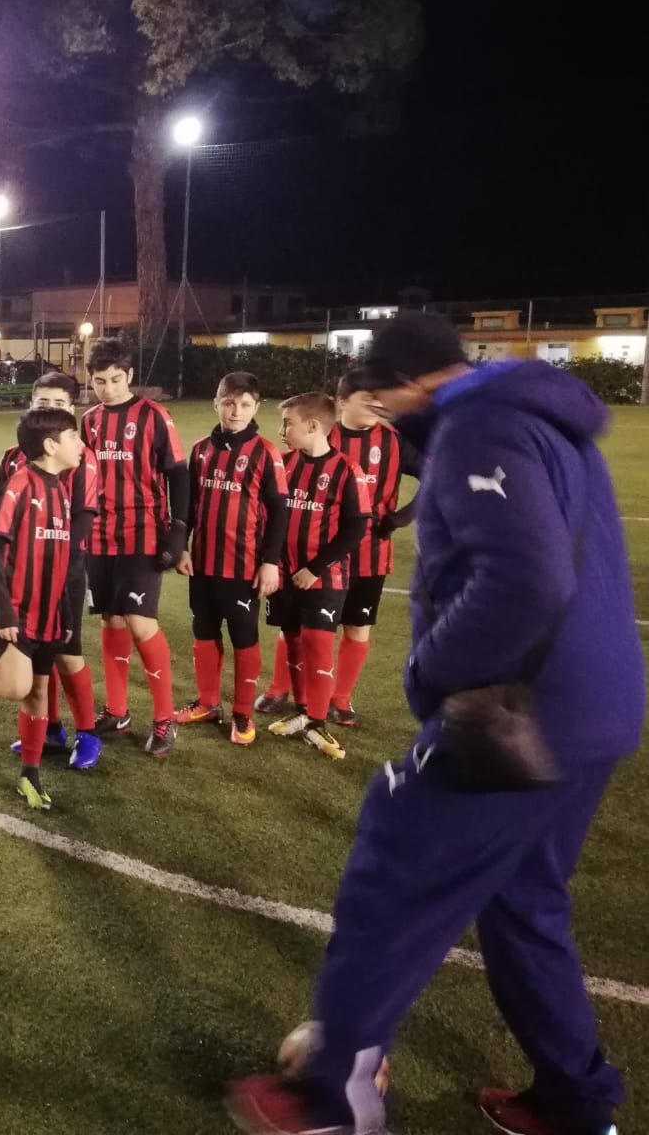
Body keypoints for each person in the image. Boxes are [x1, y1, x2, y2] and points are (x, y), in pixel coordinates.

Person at [227, 313, 644, 1135]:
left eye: (386, 401)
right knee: (522, 902)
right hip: (599, 709)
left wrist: (432, 672)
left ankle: (333, 1102)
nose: (386, 417)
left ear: (413, 382)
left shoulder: (475, 428)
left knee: (391, 870)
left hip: (521, 711)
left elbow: (526, 580)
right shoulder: (543, 417)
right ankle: (574, 1102)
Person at [0, 408, 85, 810]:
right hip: (16, 610)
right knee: (16, 686)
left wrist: (66, 612)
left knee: (39, 691)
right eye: (74, 437)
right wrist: (5, 610)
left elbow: (61, 559)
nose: (81, 445)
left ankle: (30, 774)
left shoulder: (62, 490)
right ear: (50, 446)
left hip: (50, 613)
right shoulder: (20, 484)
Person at [80, 339, 190, 758]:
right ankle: (117, 711)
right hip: (99, 535)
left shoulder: (155, 416)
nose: (107, 388)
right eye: (99, 381)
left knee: (140, 623)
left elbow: (178, 474)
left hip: (143, 533)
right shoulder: (89, 421)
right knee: (111, 621)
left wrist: (178, 531)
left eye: (115, 379)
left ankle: (164, 719)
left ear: (129, 376)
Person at [0, 373, 103, 767]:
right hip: (21, 575)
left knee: (68, 654)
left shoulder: (81, 458)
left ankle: (87, 733)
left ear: (71, 409)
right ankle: (50, 729)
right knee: (40, 658)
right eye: (43, 404)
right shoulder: (13, 458)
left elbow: (82, 521)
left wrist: (58, 566)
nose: (51, 410)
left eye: (59, 404)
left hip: (63, 570)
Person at [174, 372, 288, 749]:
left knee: (243, 637)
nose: (236, 411)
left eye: (244, 404)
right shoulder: (200, 451)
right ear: (216, 404)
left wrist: (270, 562)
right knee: (204, 632)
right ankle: (208, 703)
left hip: (243, 567)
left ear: (256, 408)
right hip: (203, 563)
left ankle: (242, 712)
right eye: (228, 403)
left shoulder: (265, 453)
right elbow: (188, 506)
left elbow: (279, 511)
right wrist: (183, 547)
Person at [254, 392, 369, 760]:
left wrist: (315, 568)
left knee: (317, 643)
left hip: (324, 578)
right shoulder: (283, 464)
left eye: (288, 423)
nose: (282, 430)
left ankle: (317, 721)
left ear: (314, 426)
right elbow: (267, 517)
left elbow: (355, 528)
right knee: (291, 640)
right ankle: (304, 710)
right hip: (283, 575)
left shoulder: (347, 470)